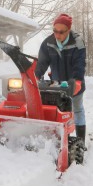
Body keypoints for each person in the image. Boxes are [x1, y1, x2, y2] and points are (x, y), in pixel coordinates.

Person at [35, 13, 87, 151]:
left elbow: (79, 65)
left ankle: (80, 143)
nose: (57, 35)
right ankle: (58, 142)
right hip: (57, 85)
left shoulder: (77, 43)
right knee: (58, 111)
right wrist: (35, 76)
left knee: (77, 109)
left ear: (68, 30)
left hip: (73, 83)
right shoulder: (48, 43)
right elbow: (41, 63)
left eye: (61, 32)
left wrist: (77, 81)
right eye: (55, 31)